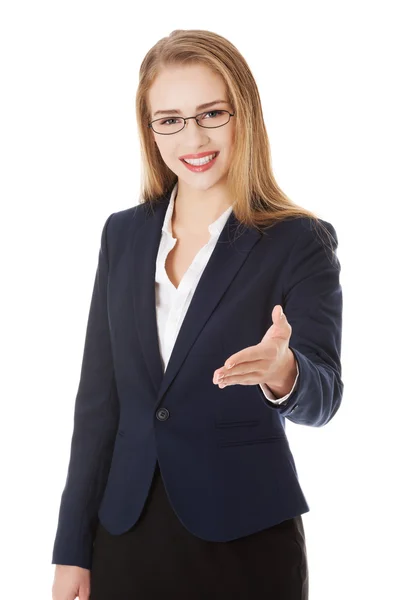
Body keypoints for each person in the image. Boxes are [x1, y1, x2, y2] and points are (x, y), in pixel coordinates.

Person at [51, 29, 343, 600]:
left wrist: (285, 373)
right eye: (170, 119)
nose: (194, 136)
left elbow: (325, 394)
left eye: (212, 113)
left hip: (246, 540)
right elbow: (98, 405)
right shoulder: (124, 235)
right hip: (125, 535)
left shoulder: (297, 240)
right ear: (150, 128)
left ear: (245, 116)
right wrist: (71, 551)